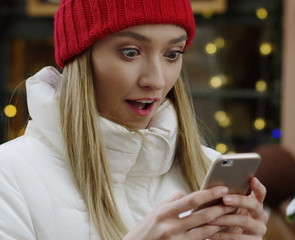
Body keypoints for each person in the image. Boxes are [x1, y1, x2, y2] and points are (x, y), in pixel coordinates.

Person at [0, 0, 268, 239]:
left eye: (172, 54)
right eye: (131, 52)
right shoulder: (10, 174)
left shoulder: (206, 169)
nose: (157, 80)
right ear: (81, 59)